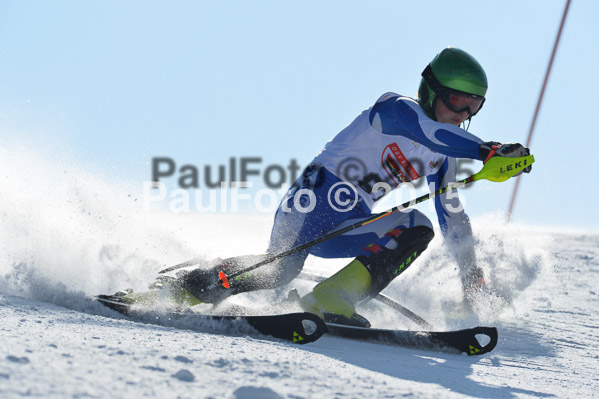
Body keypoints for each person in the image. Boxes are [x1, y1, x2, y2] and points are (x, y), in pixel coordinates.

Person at [127, 47, 532, 327]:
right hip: (312, 201)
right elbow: (427, 132)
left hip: (351, 219)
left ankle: (330, 299)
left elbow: (454, 217)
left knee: (416, 226)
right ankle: (183, 288)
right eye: (457, 102)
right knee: (278, 272)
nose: (462, 114)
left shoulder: (443, 154)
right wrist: (486, 149)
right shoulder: (397, 109)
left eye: (474, 106)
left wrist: (471, 274)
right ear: (431, 91)